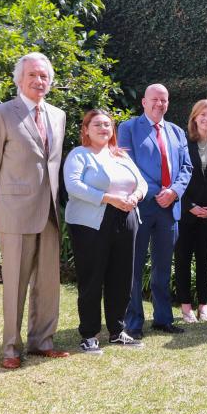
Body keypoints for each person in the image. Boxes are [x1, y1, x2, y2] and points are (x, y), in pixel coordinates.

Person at [0, 52, 69, 369]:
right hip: (15, 213)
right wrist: (3, 203)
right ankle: (10, 348)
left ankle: (42, 341)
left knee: (47, 282)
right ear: (20, 79)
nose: (39, 80)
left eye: (44, 75)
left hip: (49, 214)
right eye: (33, 75)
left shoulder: (58, 115)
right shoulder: (2, 114)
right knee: (15, 283)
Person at [63, 110, 148, 354]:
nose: (103, 129)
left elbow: (141, 182)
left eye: (108, 125)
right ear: (86, 129)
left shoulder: (120, 155)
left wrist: (135, 196)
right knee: (92, 279)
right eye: (97, 124)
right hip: (91, 224)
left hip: (126, 218)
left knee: (121, 278)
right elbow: (74, 185)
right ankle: (89, 335)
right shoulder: (79, 155)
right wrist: (108, 198)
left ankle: (117, 331)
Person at [117, 84, 193, 337]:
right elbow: (127, 165)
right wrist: (154, 191)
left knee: (162, 267)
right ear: (144, 102)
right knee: (134, 267)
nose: (159, 104)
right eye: (155, 99)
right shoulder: (128, 129)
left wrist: (174, 192)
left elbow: (186, 168)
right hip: (140, 206)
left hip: (169, 208)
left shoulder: (177, 131)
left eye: (164, 100)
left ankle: (163, 318)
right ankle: (134, 322)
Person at [173, 99, 207, 323]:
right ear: (194, 117)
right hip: (186, 213)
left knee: (205, 261)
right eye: (203, 115)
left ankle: (203, 307)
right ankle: (186, 307)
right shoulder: (182, 143)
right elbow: (177, 177)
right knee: (183, 259)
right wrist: (190, 206)